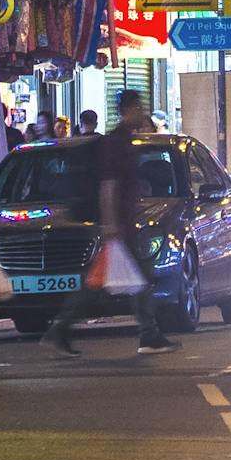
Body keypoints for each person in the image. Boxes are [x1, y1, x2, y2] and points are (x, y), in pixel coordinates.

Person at [45, 89, 175, 358]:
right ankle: (148, 334)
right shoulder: (115, 144)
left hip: (122, 223)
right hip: (118, 225)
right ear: (127, 110)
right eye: (138, 108)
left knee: (107, 282)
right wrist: (110, 225)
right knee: (129, 279)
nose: (142, 113)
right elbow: (108, 184)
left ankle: (62, 327)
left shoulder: (125, 141)